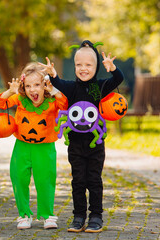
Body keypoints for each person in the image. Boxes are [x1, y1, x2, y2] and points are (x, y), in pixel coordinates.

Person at [38, 40, 124, 233]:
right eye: (79, 65)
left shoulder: (99, 87)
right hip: (75, 144)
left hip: (96, 144)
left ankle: (96, 216)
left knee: (94, 180)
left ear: (96, 67)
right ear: (74, 66)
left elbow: (118, 80)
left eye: (88, 65)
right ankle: (79, 216)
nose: (83, 69)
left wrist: (113, 69)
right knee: (78, 180)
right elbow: (57, 83)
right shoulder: (71, 88)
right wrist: (53, 74)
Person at [0, 63, 68, 230]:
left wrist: (54, 90)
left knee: (45, 180)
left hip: (45, 147)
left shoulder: (52, 101)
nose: (32, 90)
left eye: (37, 85)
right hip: (22, 146)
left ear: (44, 85)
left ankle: (47, 215)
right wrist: (10, 91)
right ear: (23, 87)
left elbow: (65, 105)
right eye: (28, 86)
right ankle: (24, 214)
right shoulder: (20, 99)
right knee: (19, 178)